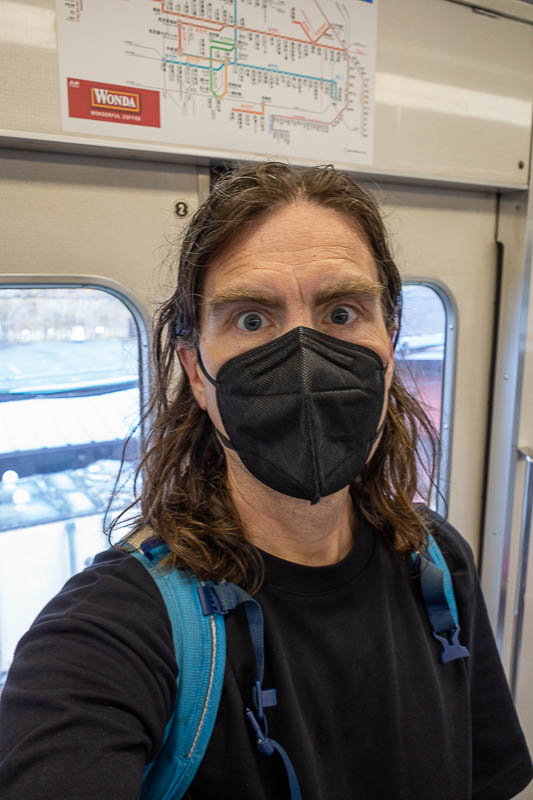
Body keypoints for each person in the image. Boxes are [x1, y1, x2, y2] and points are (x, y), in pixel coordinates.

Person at [0, 162, 531, 800]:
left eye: (341, 312)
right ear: (196, 373)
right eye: (251, 319)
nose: (305, 358)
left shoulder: (439, 566)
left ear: (388, 345)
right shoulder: (113, 631)